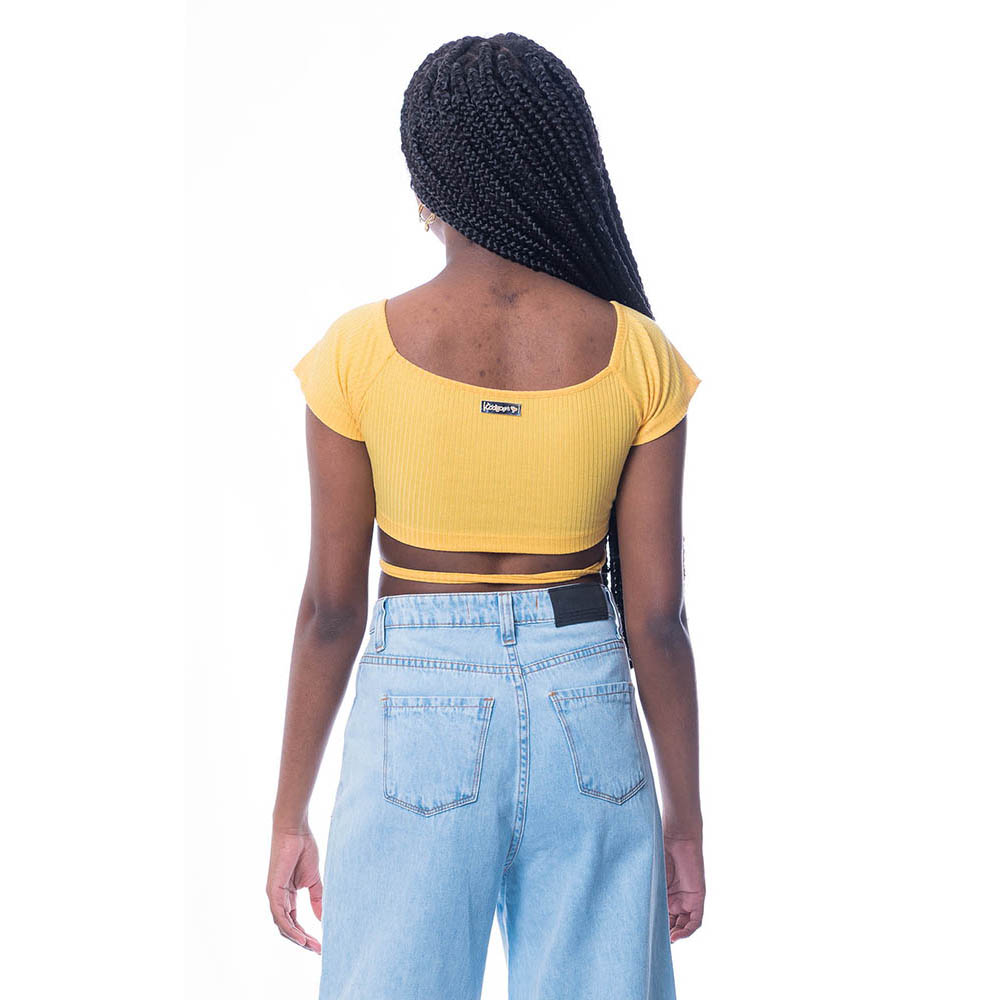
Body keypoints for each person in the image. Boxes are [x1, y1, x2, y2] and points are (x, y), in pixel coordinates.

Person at [267, 32, 705, 1000]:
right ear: (561, 163)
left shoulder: (356, 352)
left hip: (415, 706)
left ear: (427, 176)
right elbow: (656, 620)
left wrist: (289, 814)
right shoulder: (640, 354)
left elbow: (332, 612)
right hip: (588, 702)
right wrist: (684, 820)